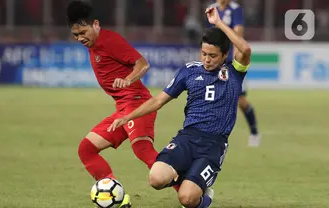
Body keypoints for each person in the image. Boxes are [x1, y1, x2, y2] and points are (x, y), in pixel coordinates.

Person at [108, 7, 251, 208]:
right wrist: (127, 117)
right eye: (203, 53)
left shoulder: (235, 72)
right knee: (156, 179)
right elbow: (158, 101)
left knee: (187, 199)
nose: (207, 60)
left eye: (212, 55)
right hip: (187, 138)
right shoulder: (189, 71)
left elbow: (245, 49)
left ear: (225, 55)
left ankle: (203, 196)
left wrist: (218, 23)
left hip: (213, 145)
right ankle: (191, 179)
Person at [66, 1, 159, 207]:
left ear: (96, 24)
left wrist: (128, 80)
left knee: (142, 149)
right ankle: (117, 197)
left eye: (83, 32)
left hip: (137, 103)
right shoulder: (94, 44)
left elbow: (143, 64)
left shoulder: (110, 40)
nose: (80, 38)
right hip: (123, 108)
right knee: (87, 149)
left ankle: (190, 188)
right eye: (76, 35)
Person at [206, 0, 261, 147]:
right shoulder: (211, 8)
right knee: (214, 98)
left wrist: (236, 63)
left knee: (241, 102)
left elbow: (238, 36)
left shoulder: (236, 9)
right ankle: (212, 134)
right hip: (217, 61)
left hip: (232, 62)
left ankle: (254, 131)